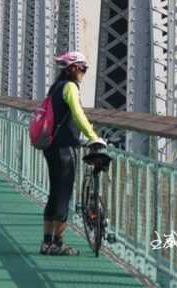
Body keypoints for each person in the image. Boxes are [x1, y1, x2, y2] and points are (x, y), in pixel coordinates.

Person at [41, 50, 105, 256]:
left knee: (55, 193)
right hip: (64, 149)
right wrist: (92, 135)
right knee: (64, 195)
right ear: (73, 68)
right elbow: (78, 113)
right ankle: (57, 244)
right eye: (83, 69)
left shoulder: (55, 87)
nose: (84, 73)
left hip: (51, 146)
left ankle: (47, 242)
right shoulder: (69, 87)